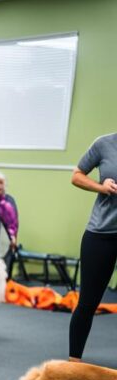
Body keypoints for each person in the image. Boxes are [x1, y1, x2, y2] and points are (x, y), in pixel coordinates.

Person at [69, 132, 117, 362]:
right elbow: (76, 176)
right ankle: (73, 363)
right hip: (101, 234)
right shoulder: (104, 144)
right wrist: (101, 186)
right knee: (87, 303)